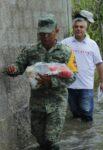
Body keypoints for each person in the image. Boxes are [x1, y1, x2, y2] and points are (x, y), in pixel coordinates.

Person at [5, 14, 77, 150]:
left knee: (51, 140)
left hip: (57, 101)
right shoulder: (30, 51)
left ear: (57, 30)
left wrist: (52, 82)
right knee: (40, 138)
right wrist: (12, 69)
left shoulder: (66, 52)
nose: (45, 37)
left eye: (48, 33)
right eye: (42, 34)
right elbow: (19, 67)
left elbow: (72, 77)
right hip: (37, 102)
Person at [61, 17, 103, 122]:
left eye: (81, 27)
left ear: (86, 29)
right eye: (76, 27)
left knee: (86, 114)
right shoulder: (65, 43)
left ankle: (88, 136)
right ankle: (79, 135)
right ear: (73, 28)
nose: (78, 29)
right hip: (70, 85)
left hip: (87, 86)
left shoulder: (92, 44)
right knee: (75, 113)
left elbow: (99, 64)